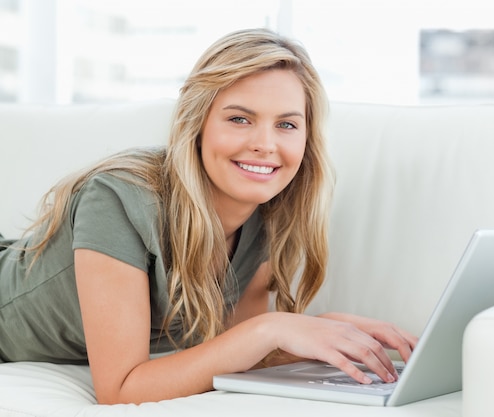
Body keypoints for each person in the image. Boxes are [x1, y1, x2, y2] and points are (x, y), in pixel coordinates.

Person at [0, 28, 417, 405]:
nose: (265, 144)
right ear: (197, 124)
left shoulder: (269, 213)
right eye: (240, 119)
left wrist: (319, 333)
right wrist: (272, 327)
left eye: (287, 125)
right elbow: (121, 389)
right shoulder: (119, 198)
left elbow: (232, 348)